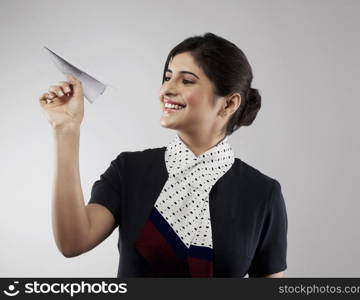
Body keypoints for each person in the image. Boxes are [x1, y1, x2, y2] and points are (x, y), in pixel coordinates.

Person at [39, 32, 288, 278]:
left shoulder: (262, 193)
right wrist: (66, 129)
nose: (166, 89)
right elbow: (73, 242)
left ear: (230, 103)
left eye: (187, 81)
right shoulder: (129, 170)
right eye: (167, 77)